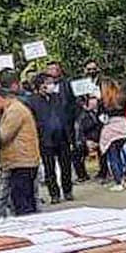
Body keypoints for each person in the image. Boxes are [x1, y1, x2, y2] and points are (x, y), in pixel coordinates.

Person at [0, 86, 40, 216]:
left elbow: (4, 135)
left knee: (22, 201)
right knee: (25, 198)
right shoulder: (14, 108)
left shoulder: (14, 111)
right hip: (23, 161)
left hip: (21, 161)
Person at [27, 73, 73, 204]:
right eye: (48, 83)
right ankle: (54, 194)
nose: (52, 85)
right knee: (49, 168)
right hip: (45, 139)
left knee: (66, 166)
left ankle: (68, 191)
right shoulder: (32, 101)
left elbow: (65, 116)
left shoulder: (57, 98)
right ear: (41, 85)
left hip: (62, 137)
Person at [98, 80, 126, 192]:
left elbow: (102, 118)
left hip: (111, 129)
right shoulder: (122, 97)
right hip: (125, 126)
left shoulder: (104, 101)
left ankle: (119, 181)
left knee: (113, 157)